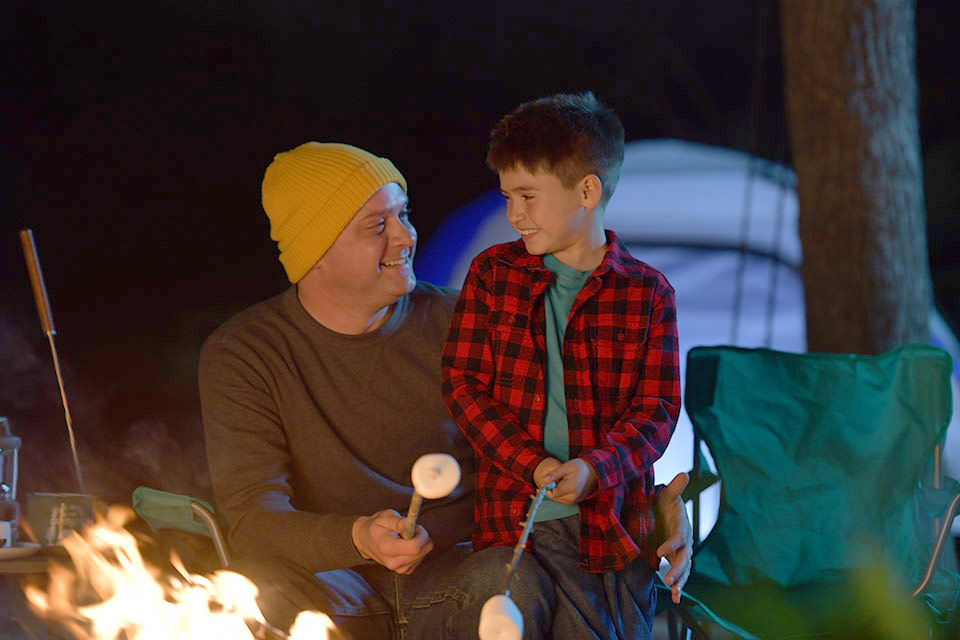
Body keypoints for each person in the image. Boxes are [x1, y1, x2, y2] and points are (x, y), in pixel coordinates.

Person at [199, 141, 691, 639]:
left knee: (510, 580)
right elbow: (252, 517)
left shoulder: (470, 318)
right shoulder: (245, 353)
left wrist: (651, 507)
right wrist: (358, 538)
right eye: (377, 226)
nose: (405, 237)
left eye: (403, 215)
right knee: (255, 588)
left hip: (459, 571)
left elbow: (562, 445)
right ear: (316, 251)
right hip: (330, 587)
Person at [442, 92, 680, 639]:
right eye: (506, 196)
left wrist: (595, 468)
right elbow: (464, 385)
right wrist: (530, 463)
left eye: (527, 195)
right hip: (514, 525)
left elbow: (659, 409)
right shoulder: (491, 274)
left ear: (588, 191)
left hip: (614, 531)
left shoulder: (647, 293)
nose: (513, 214)